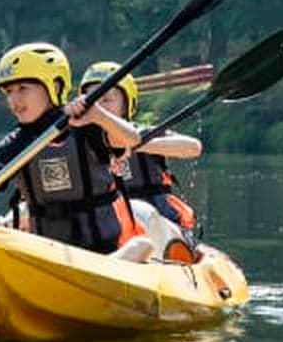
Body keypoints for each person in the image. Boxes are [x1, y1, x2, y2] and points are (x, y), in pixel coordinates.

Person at [0, 43, 144, 254]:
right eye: (8, 91)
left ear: (54, 87)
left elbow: (132, 140)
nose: (13, 100)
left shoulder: (85, 125)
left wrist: (99, 116)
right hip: (47, 254)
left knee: (142, 246)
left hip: (103, 251)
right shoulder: (13, 144)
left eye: (22, 89)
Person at [78, 61, 203, 258]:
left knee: (137, 209)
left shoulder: (141, 133)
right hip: (113, 230)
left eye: (107, 100)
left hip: (162, 229)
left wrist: (135, 143)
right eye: (93, 101)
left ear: (126, 104)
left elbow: (193, 147)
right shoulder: (77, 142)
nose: (99, 108)